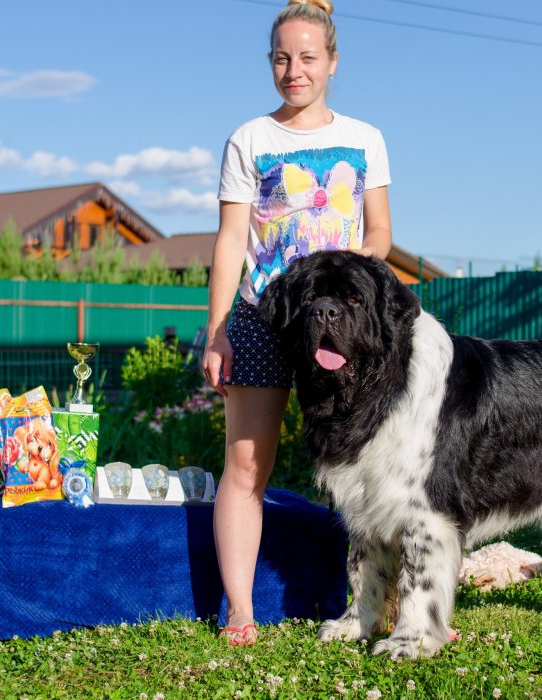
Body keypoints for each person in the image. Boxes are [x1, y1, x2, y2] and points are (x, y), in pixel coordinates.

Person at [202, 0, 393, 647]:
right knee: (246, 468)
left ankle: (372, 601)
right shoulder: (249, 139)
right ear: (271, 63)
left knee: (362, 469)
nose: (295, 69)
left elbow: (382, 233)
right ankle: (240, 610)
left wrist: (346, 291)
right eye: (283, 57)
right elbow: (231, 241)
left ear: (332, 62)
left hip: (339, 330)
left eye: (308, 57)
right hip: (261, 319)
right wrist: (219, 328)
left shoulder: (366, 139)